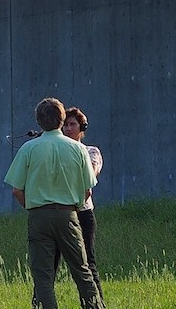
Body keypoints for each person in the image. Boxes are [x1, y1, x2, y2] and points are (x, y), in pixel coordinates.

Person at [4, 97, 105, 309]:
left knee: (43, 276)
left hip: (39, 215)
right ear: (61, 120)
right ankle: (95, 306)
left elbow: (16, 189)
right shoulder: (78, 149)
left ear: (39, 121)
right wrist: (74, 207)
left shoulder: (29, 148)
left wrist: (32, 207)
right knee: (82, 269)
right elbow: (87, 189)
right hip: (69, 213)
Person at [64, 106, 105, 302]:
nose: (68, 128)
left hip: (83, 211)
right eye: (65, 124)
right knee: (50, 263)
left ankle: (96, 302)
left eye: (72, 124)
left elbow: (91, 174)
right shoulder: (57, 152)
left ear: (82, 128)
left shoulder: (91, 151)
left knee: (88, 261)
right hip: (61, 211)